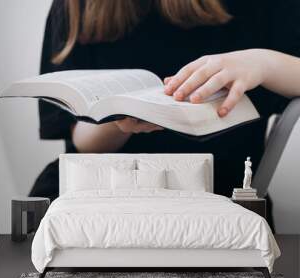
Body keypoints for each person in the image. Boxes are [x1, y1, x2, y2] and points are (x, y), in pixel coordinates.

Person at [30, 0, 300, 201]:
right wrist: (116, 120)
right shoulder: (77, 6)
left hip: (219, 198)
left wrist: (266, 63)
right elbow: (82, 142)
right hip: (100, 193)